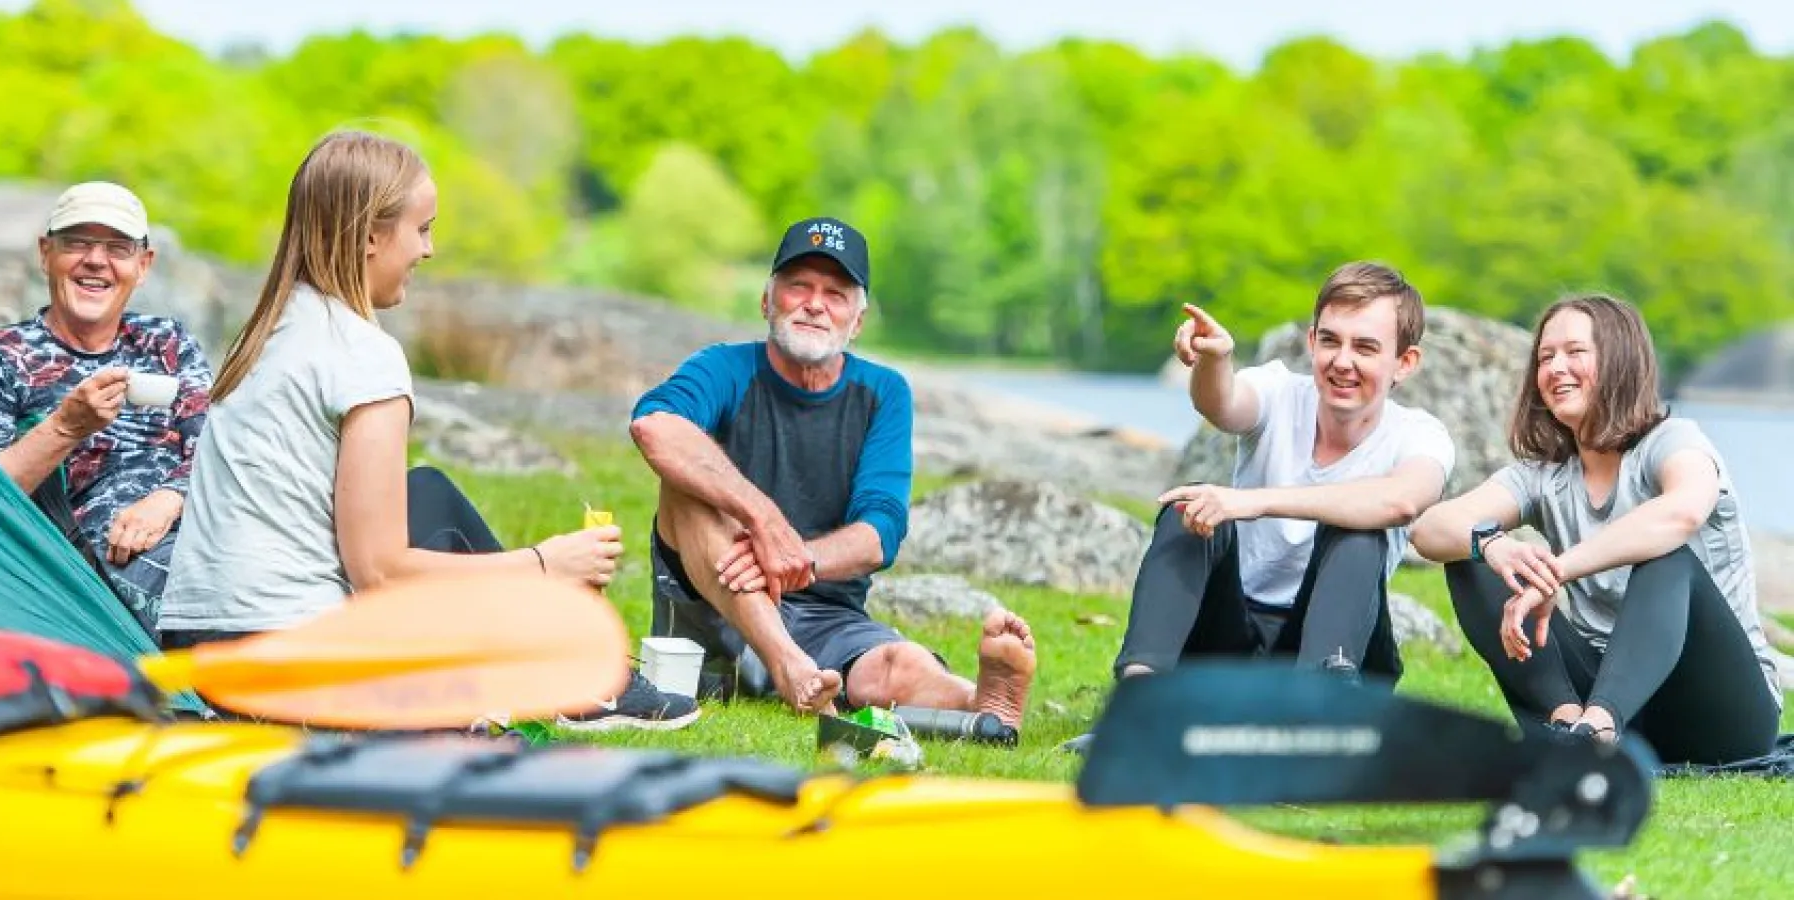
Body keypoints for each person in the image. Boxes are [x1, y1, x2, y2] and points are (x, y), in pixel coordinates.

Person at [158, 130, 696, 732]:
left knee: (429, 492)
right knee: (489, 772)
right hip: (287, 655)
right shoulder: (364, 356)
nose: (429, 249)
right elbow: (379, 572)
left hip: (200, 648)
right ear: (369, 235)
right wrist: (543, 564)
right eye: (421, 229)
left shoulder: (266, 335)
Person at [632, 216, 1037, 727]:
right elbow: (654, 426)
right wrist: (763, 522)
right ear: (766, 301)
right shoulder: (723, 367)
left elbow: (879, 534)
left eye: (836, 293)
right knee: (687, 485)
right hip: (713, 599)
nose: (815, 304)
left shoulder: (883, 392)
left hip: (826, 618)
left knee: (898, 664)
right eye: (798, 285)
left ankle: (984, 702)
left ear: (857, 321)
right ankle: (788, 666)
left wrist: (796, 559)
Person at [1063, 262, 1456, 753]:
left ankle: (1318, 722)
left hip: (1335, 649)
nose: (1342, 361)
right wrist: (1214, 361)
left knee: (1358, 529)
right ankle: (1137, 711)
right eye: (1331, 341)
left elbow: (1399, 501)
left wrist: (1252, 502)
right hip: (1230, 638)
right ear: (1311, 341)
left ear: (1405, 363)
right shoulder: (1278, 391)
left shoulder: (1420, 434)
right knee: (1192, 509)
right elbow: (1222, 403)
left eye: (1366, 347)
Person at [1408, 293, 1781, 764]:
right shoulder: (1542, 473)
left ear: (1618, 360)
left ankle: (1598, 725)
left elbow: (1681, 512)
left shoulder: (1673, 442)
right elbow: (1429, 529)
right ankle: (1568, 724)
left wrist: (1555, 572)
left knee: (1667, 554)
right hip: (1604, 692)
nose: (1555, 368)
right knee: (1469, 552)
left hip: (1720, 710)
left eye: (1574, 352)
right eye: (1545, 357)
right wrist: (1493, 545)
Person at [0, 181, 212, 638]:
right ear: (46, 253)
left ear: (143, 265)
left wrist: (168, 499)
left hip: (200, 536)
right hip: (89, 575)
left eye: (117, 248)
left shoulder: (167, 342)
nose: (96, 261)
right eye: (78, 242)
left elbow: (218, 445)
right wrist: (65, 428)